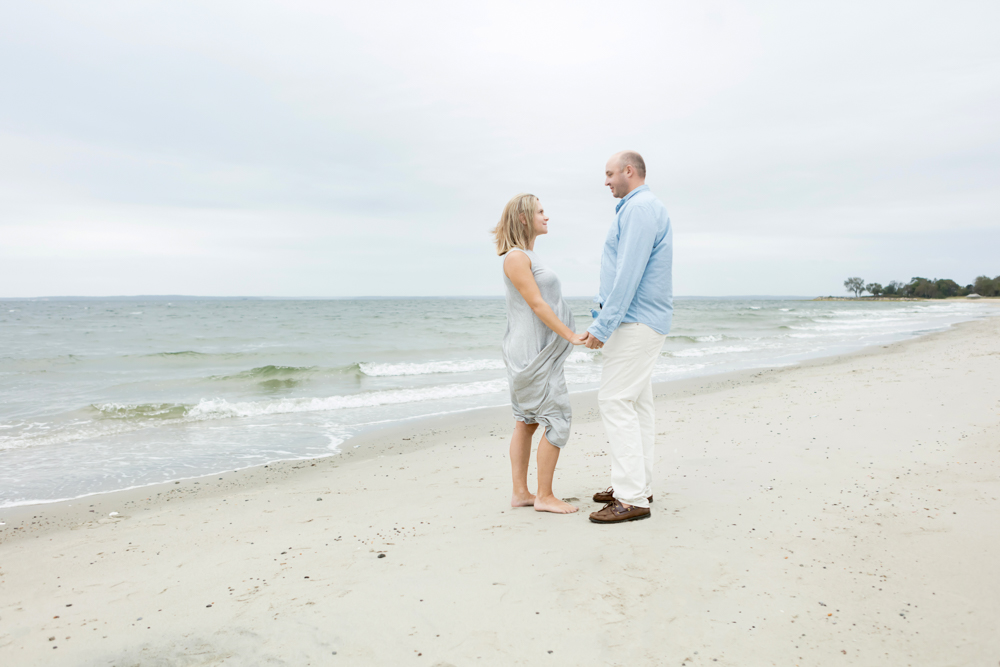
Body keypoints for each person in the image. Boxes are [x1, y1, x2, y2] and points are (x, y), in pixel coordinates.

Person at [580, 151, 673, 524]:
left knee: (615, 400)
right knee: (636, 405)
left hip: (635, 321)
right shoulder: (642, 208)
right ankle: (637, 485)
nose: (606, 181)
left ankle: (632, 497)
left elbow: (628, 275)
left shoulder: (638, 209)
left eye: (609, 174)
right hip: (643, 320)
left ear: (628, 172)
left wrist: (603, 326)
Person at [493, 193, 584, 514]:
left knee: (526, 421)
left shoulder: (529, 255)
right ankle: (544, 496)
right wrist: (570, 334)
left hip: (534, 349)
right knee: (557, 419)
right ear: (522, 218)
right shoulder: (516, 257)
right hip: (532, 353)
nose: (547, 217)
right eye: (541, 212)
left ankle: (521, 493)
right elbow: (537, 303)